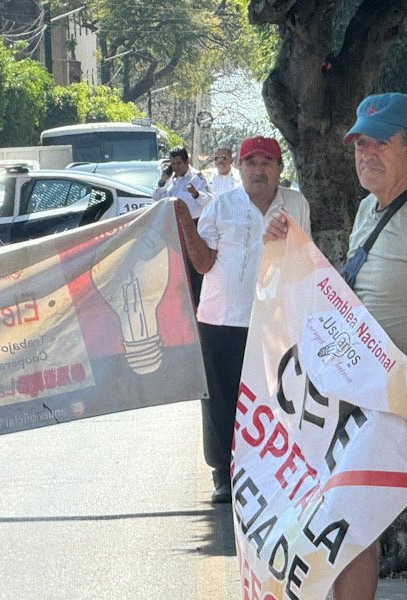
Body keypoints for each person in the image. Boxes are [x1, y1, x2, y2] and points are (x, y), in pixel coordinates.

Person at [266, 92, 407, 600]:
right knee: (350, 525)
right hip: (370, 408)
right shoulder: (366, 209)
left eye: (380, 143)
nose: (365, 154)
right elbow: (356, 289)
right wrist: (288, 248)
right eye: (359, 143)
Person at [176, 136, 311, 504]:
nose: (258, 170)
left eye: (267, 162)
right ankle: (223, 472)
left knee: (271, 398)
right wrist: (186, 225)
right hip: (221, 318)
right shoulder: (222, 205)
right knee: (221, 398)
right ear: (239, 167)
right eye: (251, 162)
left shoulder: (295, 204)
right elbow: (203, 264)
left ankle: (267, 470)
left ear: (280, 169)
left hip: (274, 321)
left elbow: (304, 261)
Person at [154, 147, 213, 305]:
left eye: (179, 163)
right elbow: (156, 198)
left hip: (194, 226)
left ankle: (198, 301)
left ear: (187, 162)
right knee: (177, 266)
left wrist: (196, 194)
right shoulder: (171, 180)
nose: (176, 167)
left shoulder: (197, 178)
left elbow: (209, 200)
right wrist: (162, 180)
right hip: (174, 227)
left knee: (195, 267)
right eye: (172, 163)